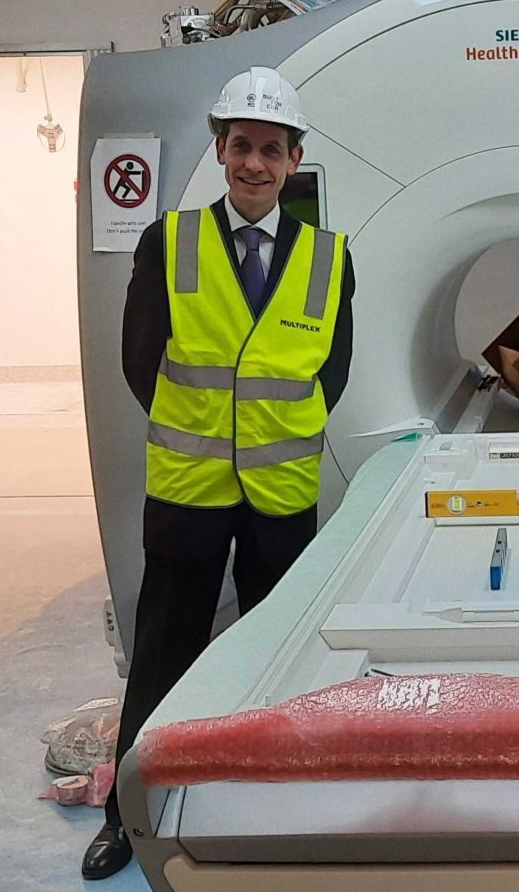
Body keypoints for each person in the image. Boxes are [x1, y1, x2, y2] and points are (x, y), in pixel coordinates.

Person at [82, 66, 354, 879]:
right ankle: (126, 817)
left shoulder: (329, 258)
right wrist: (205, 430)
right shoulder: (168, 241)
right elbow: (141, 363)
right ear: (220, 149)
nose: (255, 164)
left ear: (294, 159)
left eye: (272, 149)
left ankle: (270, 799)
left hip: (280, 498)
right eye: (242, 146)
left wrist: (268, 435)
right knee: (163, 652)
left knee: (277, 658)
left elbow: (330, 375)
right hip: (189, 493)